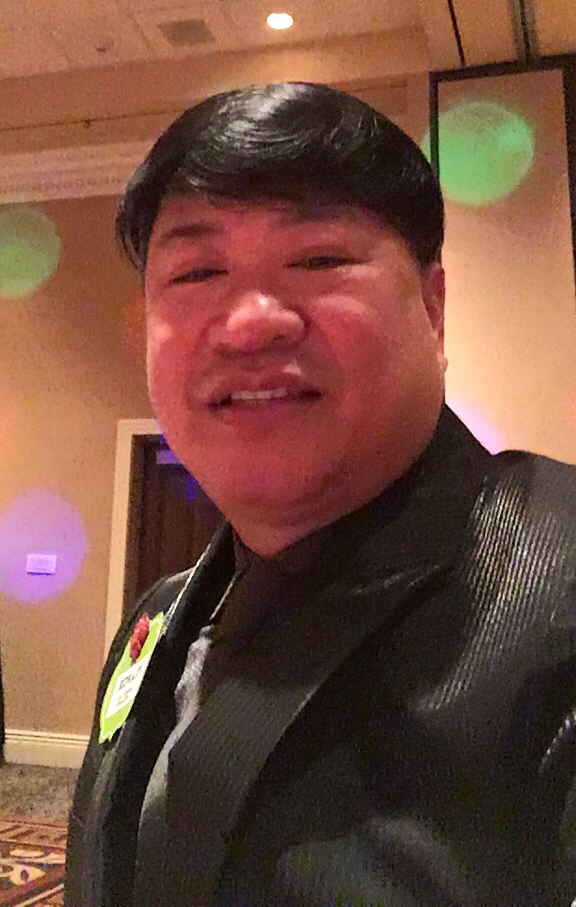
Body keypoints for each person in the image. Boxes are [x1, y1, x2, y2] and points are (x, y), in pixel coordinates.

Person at [66, 81, 576, 907]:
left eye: (318, 260)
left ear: (433, 309)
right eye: (197, 271)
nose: (249, 322)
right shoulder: (154, 623)